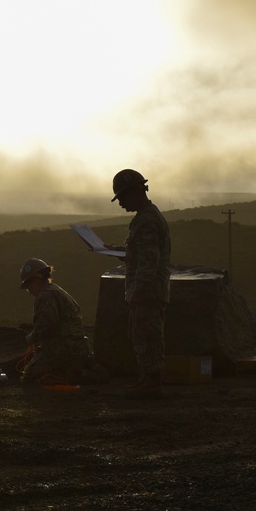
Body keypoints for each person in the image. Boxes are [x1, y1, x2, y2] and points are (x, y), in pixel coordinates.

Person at [110, 169, 171, 398]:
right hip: (146, 290)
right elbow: (141, 254)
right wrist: (119, 252)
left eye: (122, 198)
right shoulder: (145, 218)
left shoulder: (147, 221)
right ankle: (147, 379)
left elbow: (148, 263)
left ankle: (152, 382)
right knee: (142, 335)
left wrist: (139, 293)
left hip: (147, 291)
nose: (121, 204)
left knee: (148, 336)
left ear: (136, 192)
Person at [19, 258, 102, 385]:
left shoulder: (45, 296)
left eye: (28, 286)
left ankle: (79, 374)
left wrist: (31, 338)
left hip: (63, 349)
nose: (29, 292)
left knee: (31, 375)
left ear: (35, 281)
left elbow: (47, 326)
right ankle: (84, 365)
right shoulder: (57, 291)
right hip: (78, 347)